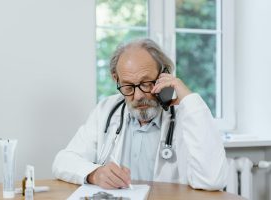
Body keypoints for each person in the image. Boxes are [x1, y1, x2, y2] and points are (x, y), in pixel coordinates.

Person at [52, 38, 228, 191]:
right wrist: (94, 174)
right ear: (116, 79)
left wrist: (190, 100)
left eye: (146, 83)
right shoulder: (106, 110)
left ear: (164, 75)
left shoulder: (187, 115)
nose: (138, 96)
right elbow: (63, 162)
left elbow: (212, 180)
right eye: (128, 86)